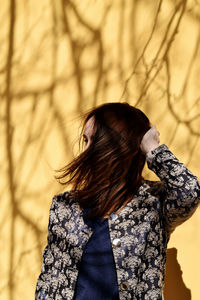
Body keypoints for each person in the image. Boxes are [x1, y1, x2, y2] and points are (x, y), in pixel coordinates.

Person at [35, 102, 200, 300]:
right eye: (84, 140)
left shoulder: (153, 203)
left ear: (117, 146)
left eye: (93, 141)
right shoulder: (66, 207)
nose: (85, 150)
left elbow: (189, 192)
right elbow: (50, 283)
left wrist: (152, 148)